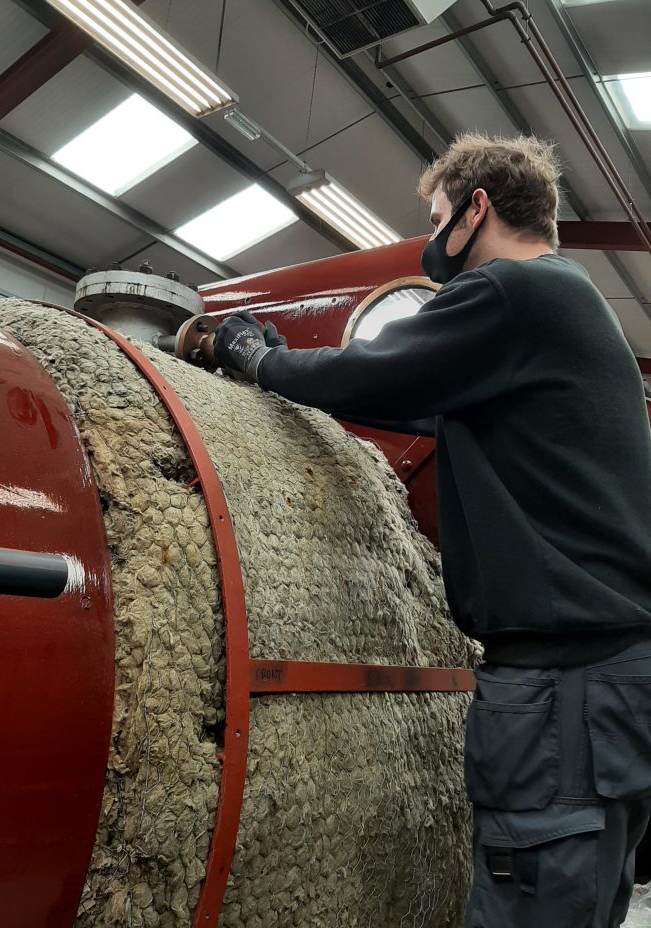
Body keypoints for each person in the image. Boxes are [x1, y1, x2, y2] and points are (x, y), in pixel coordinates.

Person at [212, 132, 651, 928]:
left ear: (478, 208)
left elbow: (371, 370)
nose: (431, 238)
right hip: (608, 689)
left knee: (533, 900)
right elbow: (430, 407)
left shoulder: (515, 294)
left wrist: (259, 358)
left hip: (564, 695)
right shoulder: (570, 302)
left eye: (439, 214)